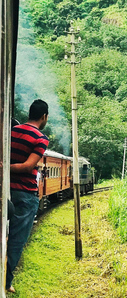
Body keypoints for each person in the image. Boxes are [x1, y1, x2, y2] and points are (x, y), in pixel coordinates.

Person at [7, 99, 49, 293]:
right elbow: (27, 167)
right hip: (25, 194)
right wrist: (5, 169)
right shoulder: (40, 138)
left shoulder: (11, 131)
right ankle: (5, 282)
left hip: (5, 190)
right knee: (16, 240)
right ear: (44, 117)